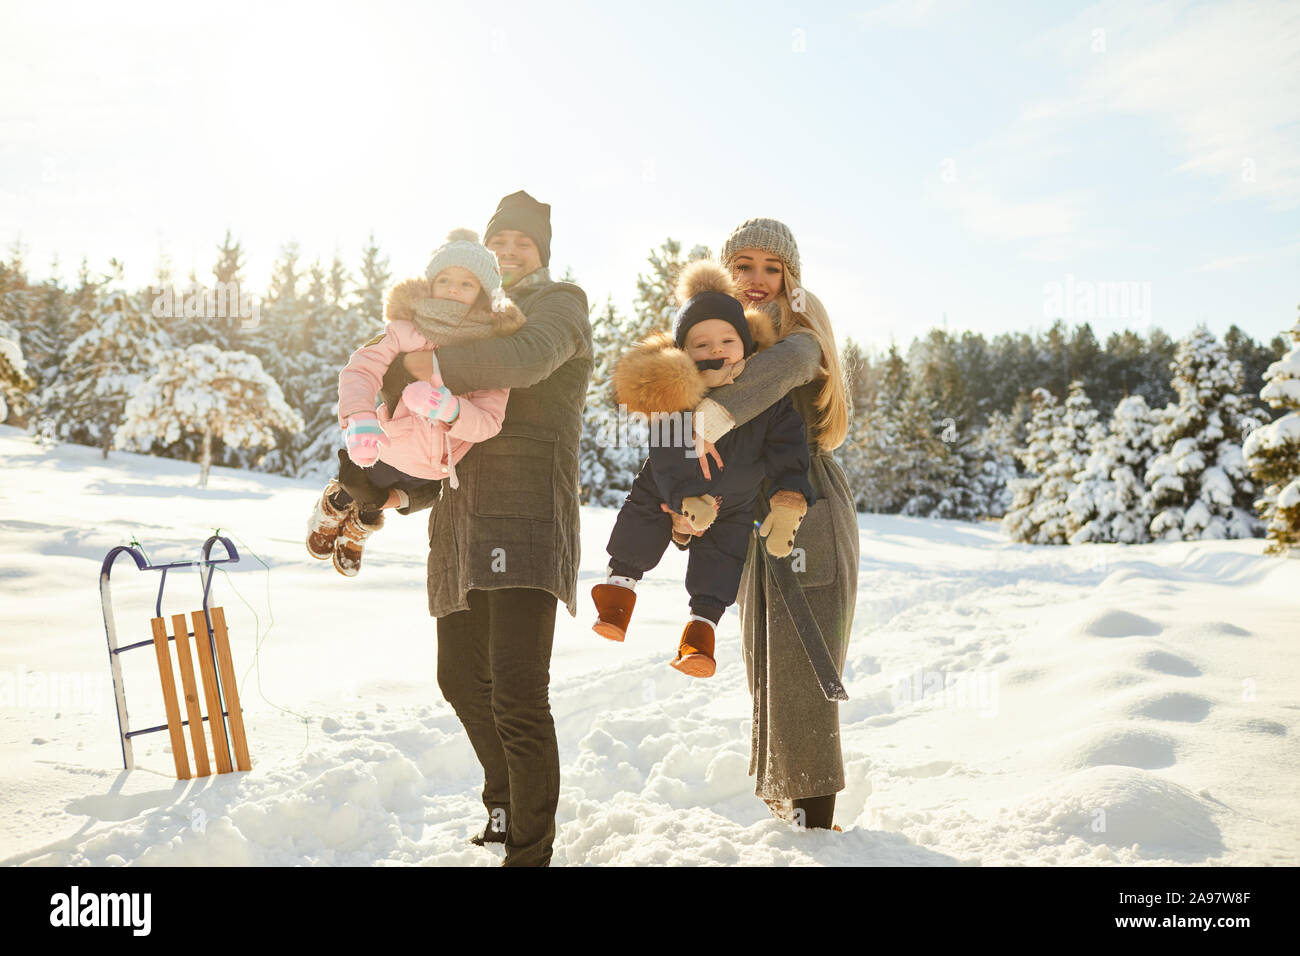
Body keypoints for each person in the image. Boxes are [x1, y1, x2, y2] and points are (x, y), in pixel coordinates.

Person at [381, 190, 592, 867]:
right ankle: (502, 806)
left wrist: (420, 367)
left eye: (523, 243)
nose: (509, 250)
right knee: (462, 680)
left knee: (519, 693)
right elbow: (429, 424)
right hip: (462, 520)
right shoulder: (469, 314)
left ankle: (529, 854)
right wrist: (396, 486)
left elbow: (526, 358)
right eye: (499, 240)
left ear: (543, 254)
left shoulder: (561, 306)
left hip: (526, 514)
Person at [671, 217, 857, 832]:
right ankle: (793, 816)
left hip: (810, 509)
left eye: (771, 269)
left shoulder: (799, 343)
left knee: (802, 672)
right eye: (743, 266)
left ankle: (815, 828)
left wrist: (696, 417)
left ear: (791, 280)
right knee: (769, 671)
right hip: (757, 512)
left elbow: (749, 393)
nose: (756, 280)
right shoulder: (727, 345)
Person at [591, 260, 814, 678]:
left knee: (721, 562)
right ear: (683, 353)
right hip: (669, 489)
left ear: (746, 344)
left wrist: (788, 499)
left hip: (734, 503)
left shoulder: (769, 397)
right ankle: (618, 595)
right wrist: (684, 498)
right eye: (701, 343)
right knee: (643, 519)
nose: (715, 350)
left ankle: (700, 634)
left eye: (727, 340)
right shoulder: (678, 394)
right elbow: (667, 451)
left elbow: (789, 448)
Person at [306, 229, 525, 576]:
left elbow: (489, 420)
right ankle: (333, 506)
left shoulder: (490, 352)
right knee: (358, 485)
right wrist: (360, 417)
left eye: (466, 284)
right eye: (445, 279)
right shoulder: (404, 330)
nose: (454, 288)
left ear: (482, 294)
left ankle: (359, 527)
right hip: (390, 443)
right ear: (430, 284)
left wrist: (449, 409)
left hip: (438, 467)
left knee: (383, 502)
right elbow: (361, 369)